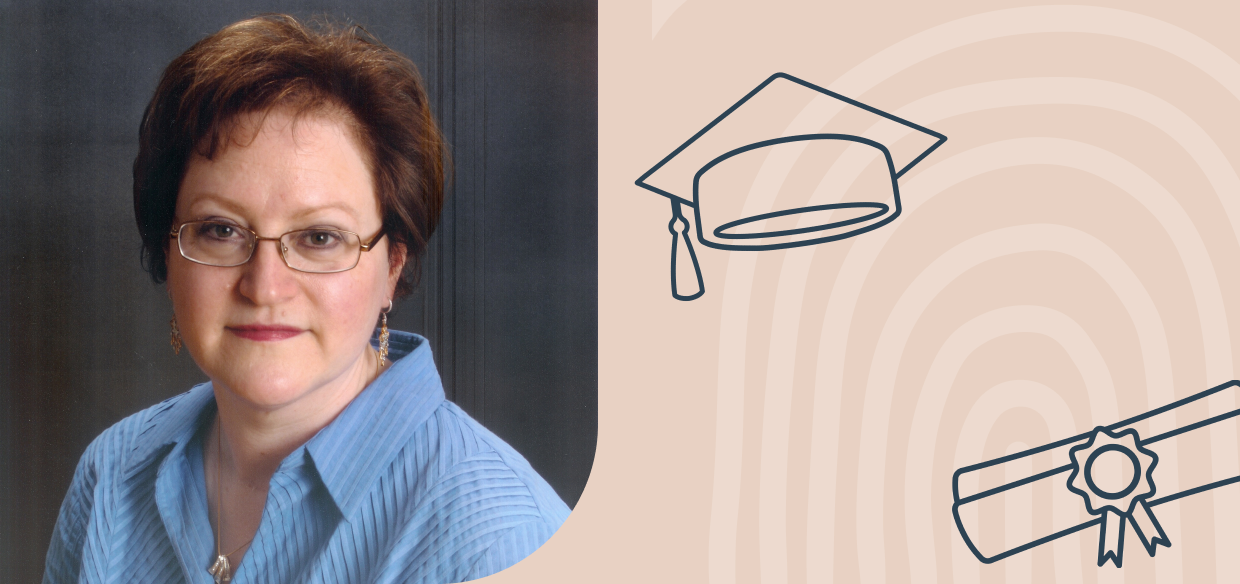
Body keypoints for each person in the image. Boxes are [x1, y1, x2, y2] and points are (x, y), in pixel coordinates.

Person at [42, 14, 569, 584]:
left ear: (393, 264)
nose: (265, 286)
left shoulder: (498, 541)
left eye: (320, 238)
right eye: (220, 230)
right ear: (167, 250)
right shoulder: (112, 475)